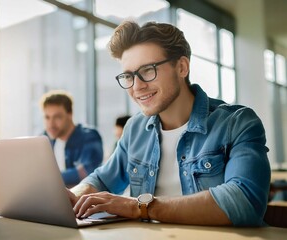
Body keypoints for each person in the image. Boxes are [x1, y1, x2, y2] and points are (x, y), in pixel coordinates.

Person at [68, 21, 270, 227]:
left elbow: (245, 202)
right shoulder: (135, 128)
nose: (137, 86)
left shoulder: (237, 123)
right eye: (128, 76)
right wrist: (73, 196)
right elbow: (102, 180)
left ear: (182, 67)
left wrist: (138, 207)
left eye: (147, 70)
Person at [40, 90, 103, 187]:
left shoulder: (89, 136)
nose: (51, 124)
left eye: (57, 117)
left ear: (70, 114)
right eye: (47, 117)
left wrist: (47, 179)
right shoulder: (44, 139)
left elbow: (87, 171)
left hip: (80, 199)